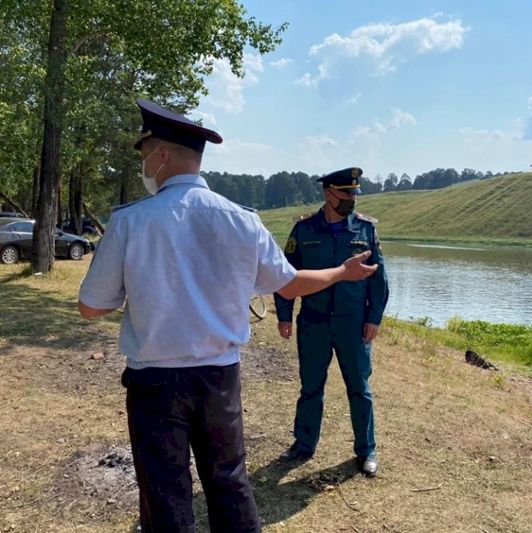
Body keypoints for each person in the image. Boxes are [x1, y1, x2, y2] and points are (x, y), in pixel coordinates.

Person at [77, 100, 378, 533]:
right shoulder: (243, 220)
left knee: (165, 490)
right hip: (219, 377)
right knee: (229, 482)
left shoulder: (131, 221)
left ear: (160, 155)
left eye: (144, 155)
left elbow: (91, 306)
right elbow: (289, 284)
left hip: (155, 381)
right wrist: (342, 272)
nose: (144, 166)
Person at [274, 167, 389, 477]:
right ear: (328, 193)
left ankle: (366, 450)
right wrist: (284, 315)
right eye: (346, 193)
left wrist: (374, 319)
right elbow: (286, 276)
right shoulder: (304, 230)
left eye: (355, 194)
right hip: (314, 322)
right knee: (311, 387)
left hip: (353, 324)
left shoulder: (365, 229)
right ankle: (303, 445)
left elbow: (379, 280)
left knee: (359, 388)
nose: (353, 199)